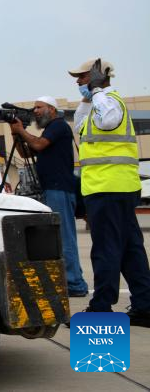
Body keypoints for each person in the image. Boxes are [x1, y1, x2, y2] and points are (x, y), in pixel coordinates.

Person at [69, 58, 150, 325]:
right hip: (118, 187)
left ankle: (101, 307)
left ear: (97, 76)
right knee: (130, 248)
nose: (78, 81)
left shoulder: (110, 101)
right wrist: (89, 96)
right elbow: (79, 124)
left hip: (108, 188)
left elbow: (108, 121)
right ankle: (145, 305)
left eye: (83, 76)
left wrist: (97, 90)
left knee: (106, 248)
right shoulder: (97, 104)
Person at [9, 96, 88, 297]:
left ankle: (75, 283)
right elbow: (26, 153)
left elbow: (38, 145)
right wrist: (15, 133)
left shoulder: (58, 126)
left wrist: (22, 131)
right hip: (52, 189)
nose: (35, 111)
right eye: (34, 108)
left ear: (52, 109)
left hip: (59, 189)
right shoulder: (49, 130)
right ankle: (72, 280)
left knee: (64, 237)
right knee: (58, 237)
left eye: (39, 107)